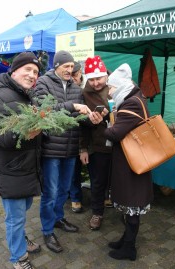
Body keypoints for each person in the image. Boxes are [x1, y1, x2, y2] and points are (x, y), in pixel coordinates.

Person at [0, 52, 42, 269]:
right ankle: (19, 258)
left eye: (35, 72)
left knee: (22, 210)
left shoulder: (27, 95)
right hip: (10, 170)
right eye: (27, 69)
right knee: (15, 218)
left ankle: (20, 239)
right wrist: (21, 134)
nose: (32, 75)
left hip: (26, 168)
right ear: (14, 70)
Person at [33, 50, 95, 253]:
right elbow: (44, 109)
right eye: (65, 66)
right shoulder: (44, 82)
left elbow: (78, 116)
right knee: (50, 192)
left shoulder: (76, 89)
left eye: (72, 67)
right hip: (51, 148)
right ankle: (47, 230)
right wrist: (72, 105)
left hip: (70, 148)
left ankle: (58, 218)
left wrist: (92, 118)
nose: (70, 70)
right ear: (56, 66)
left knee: (64, 189)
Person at [104, 63, 154, 261]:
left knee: (132, 206)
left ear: (119, 86)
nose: (109, 91)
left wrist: (104, 125)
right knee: (130, 205)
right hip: (134, 162)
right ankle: (126, 240)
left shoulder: (130, 103)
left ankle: (129, 248)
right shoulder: (135, 97)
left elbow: (115, 133)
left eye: (110, 87)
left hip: (132, 165)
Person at [79, 55, 113, 230]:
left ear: (106, 75)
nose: (95, 83)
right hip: (98, 144)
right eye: (91, 79)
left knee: (118, 179)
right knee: (97, 181)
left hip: (119, 143)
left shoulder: (116, 87)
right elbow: (81, 125)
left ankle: (123, 208)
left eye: (98, 78)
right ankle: (97, 213)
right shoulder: (85, 94)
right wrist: (83, 148)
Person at [69, 61, 86, 214]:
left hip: (83, 134)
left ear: (80, 72)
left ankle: (76, 197)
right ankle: (72, 196)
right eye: (71, 75)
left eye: (76, 74)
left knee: (75, 170)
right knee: (72, 170)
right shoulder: (66, 88)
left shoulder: (86, 89)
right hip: (68, 135)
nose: (73, 78)